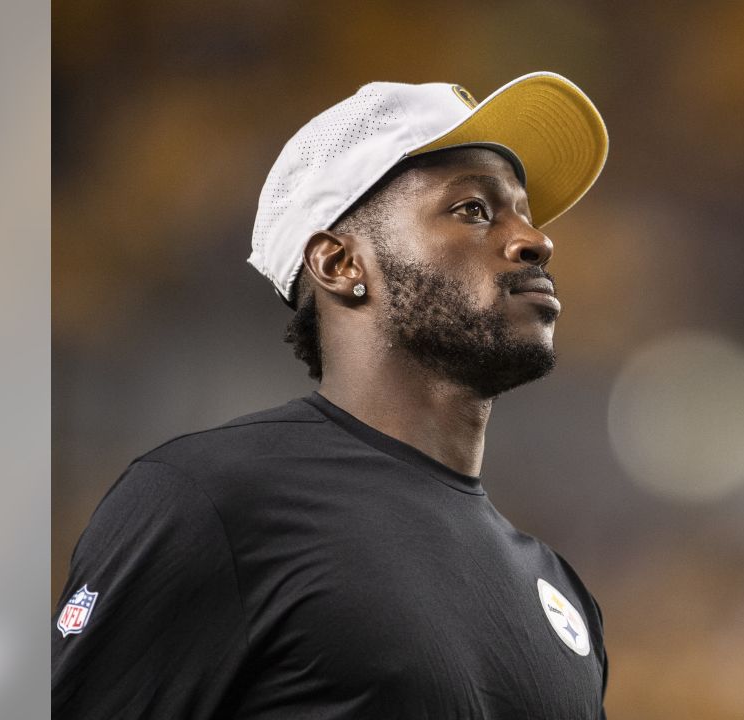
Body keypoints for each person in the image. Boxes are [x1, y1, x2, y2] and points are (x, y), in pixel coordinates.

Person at [52, 72, 611, 719]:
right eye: (473, 210)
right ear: (341, 264)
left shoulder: (557, 591)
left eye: (525, 214)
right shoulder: (211, 504)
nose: (535, 240)